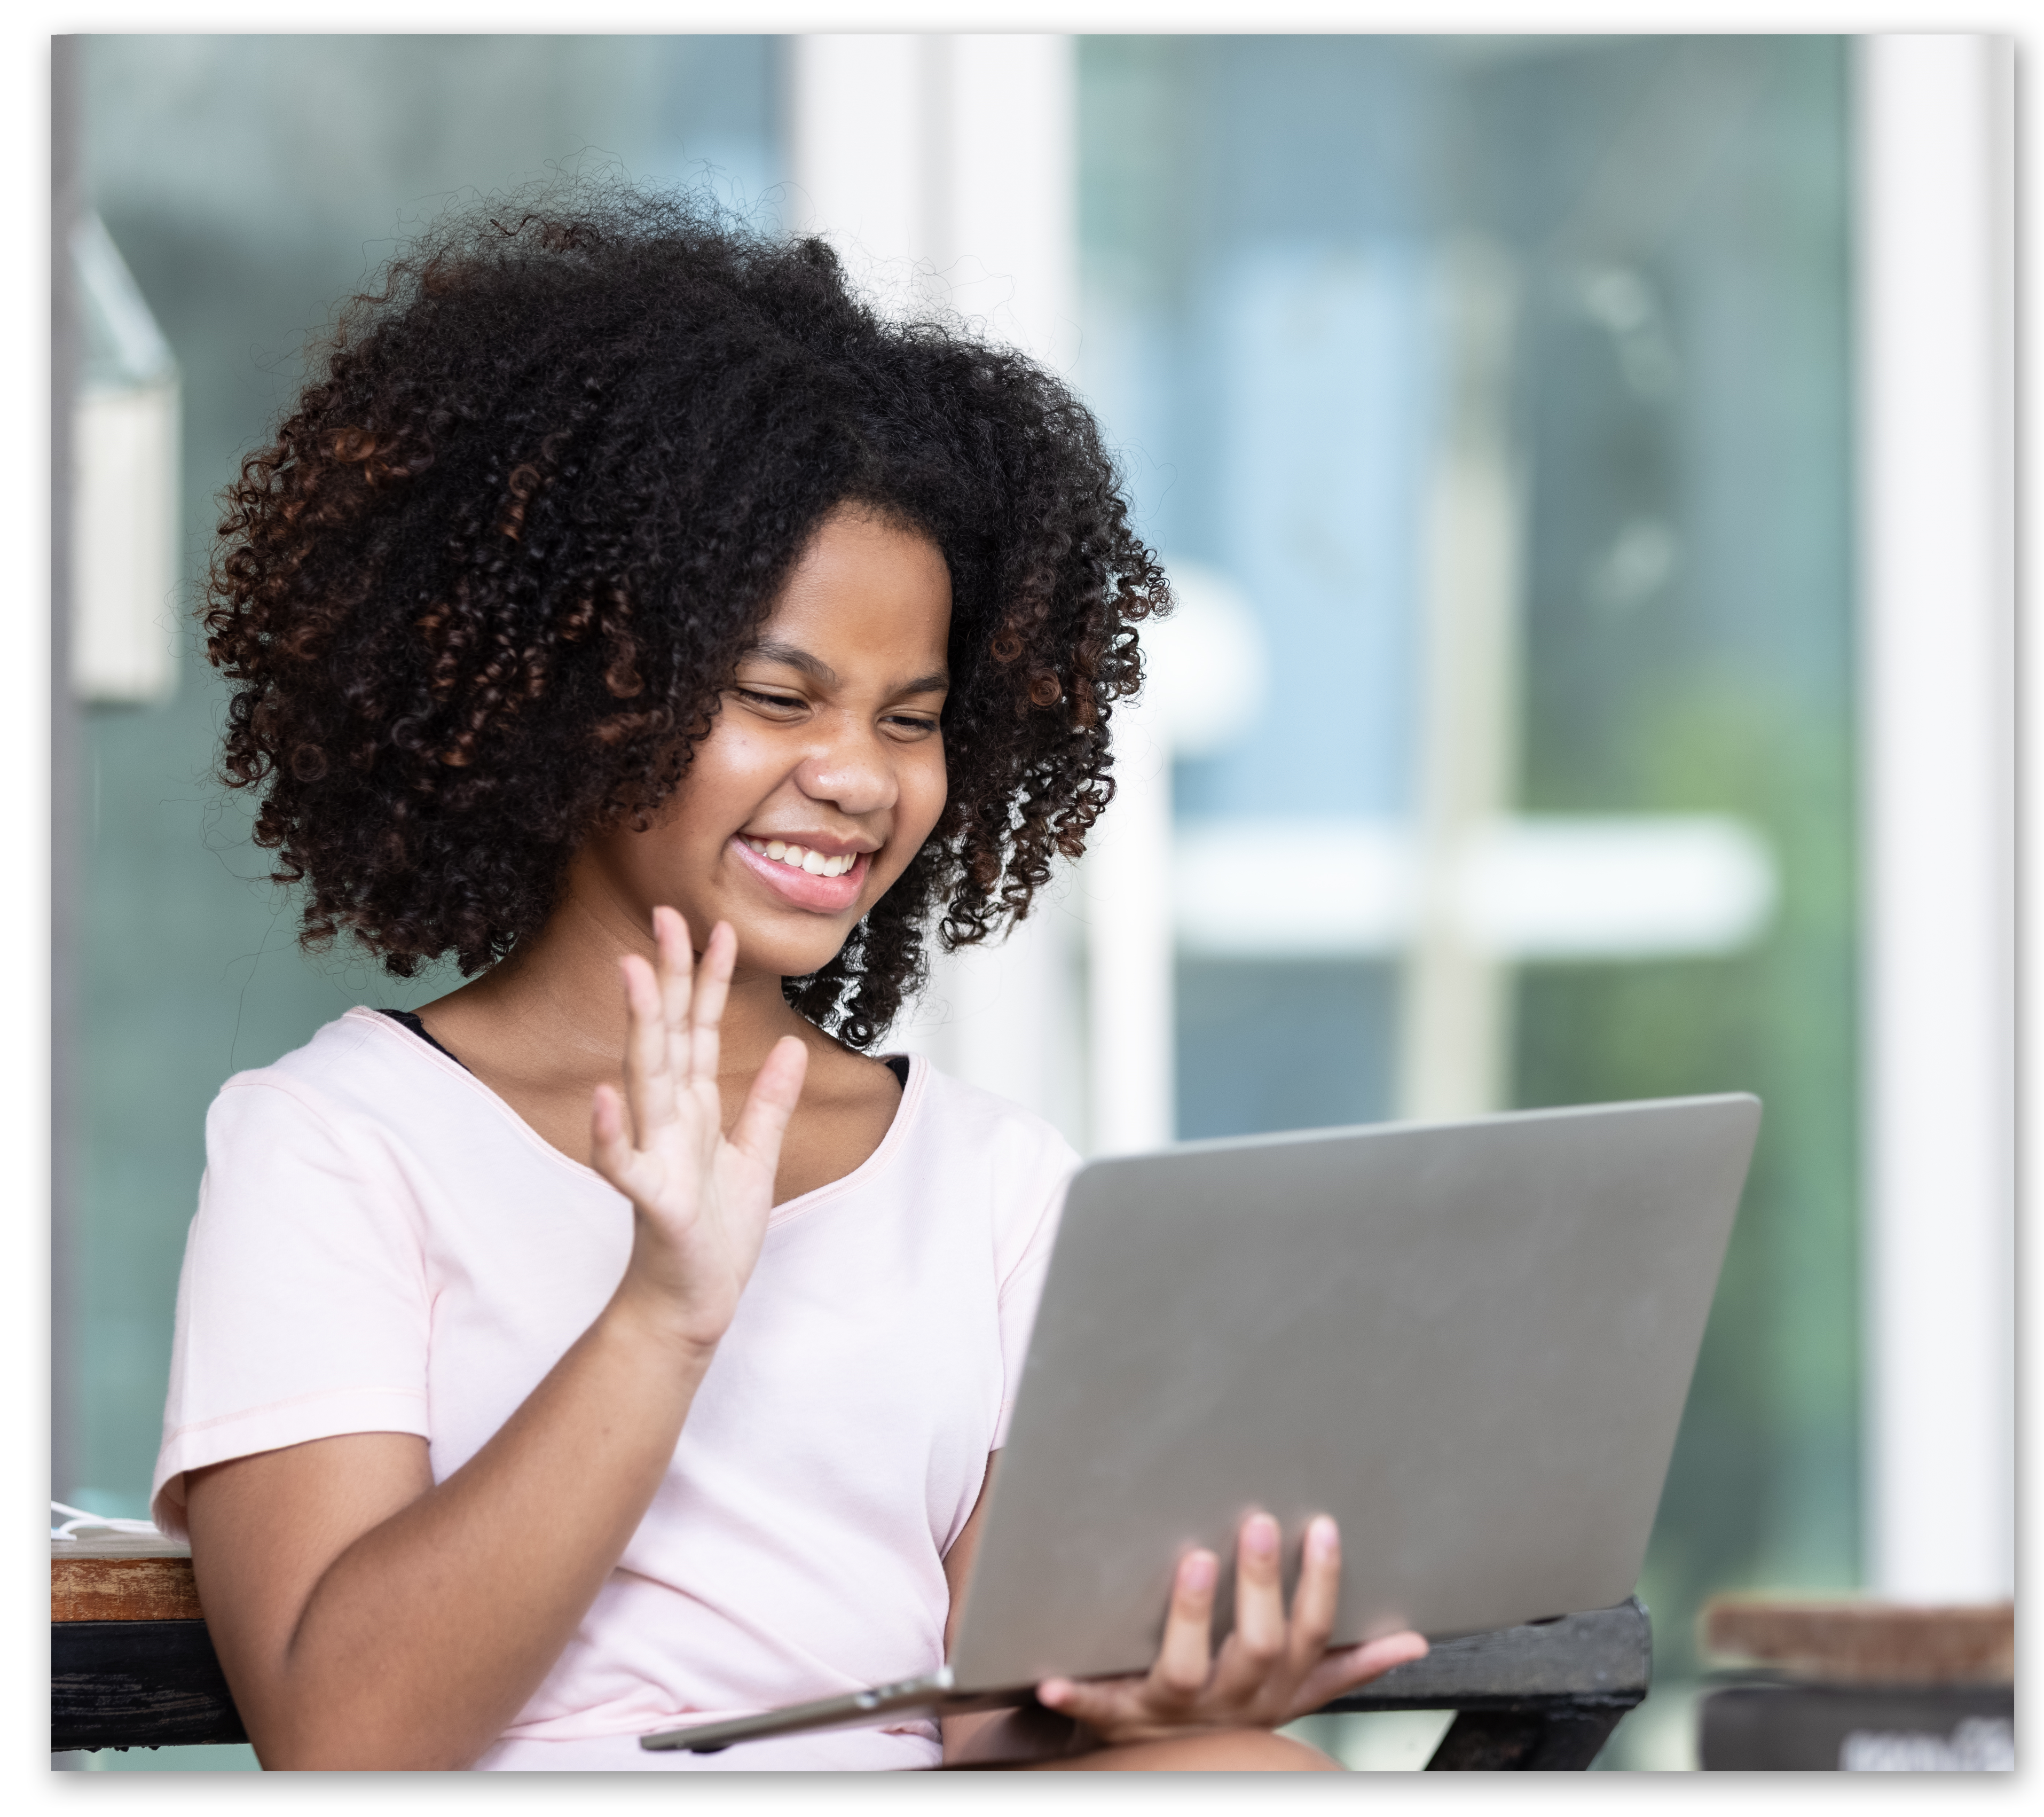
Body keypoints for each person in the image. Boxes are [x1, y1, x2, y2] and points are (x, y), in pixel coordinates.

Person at [154, 189, 1426, 1770]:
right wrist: (664, 1313)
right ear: (565, 685)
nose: (857, 779)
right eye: (777, 695)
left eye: (910, 719)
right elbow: (346, 1737)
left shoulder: (987, 1182)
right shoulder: (339, 1144)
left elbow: (974, 1725)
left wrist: (1149, 1701)